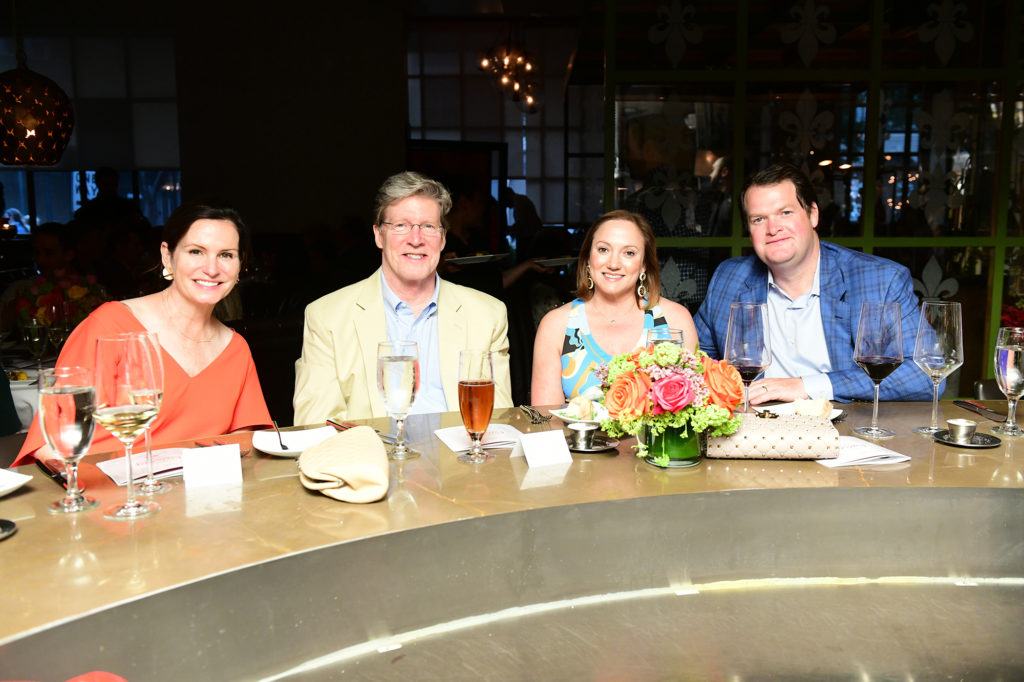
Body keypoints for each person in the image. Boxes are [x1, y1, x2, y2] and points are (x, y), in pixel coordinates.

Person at [13, 201, 272, 466]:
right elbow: (48, 447)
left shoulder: (235, 349)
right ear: (167, 256)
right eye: (196, 251)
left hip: (198, 497)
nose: (212, 268)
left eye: (226, 255)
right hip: (106, 496)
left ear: (240, 265)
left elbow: (246, 444)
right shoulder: (110, 326)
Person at [693, 162, 933, 404]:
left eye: (785, 213)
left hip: (846, 430)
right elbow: (693, 363)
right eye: (759, 219)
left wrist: (806, 386)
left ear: (813, 214)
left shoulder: (880, 280)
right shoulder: (730, 278)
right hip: (757, 429)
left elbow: (925, 374)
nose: (773, 228)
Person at [292, 171, 513, 424]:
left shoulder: (487, 315)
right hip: (372, 457)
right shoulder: (327, 317)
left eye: (428, 227)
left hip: (461, 458)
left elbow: (498, 421)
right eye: (401, 226)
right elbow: (315, 424)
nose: (416, 240)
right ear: (378, 236)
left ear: (442, 239)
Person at [531, 209, 699, 404]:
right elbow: (546, 422)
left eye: (629, 253)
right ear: (587, 258)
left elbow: (693, 410)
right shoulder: (556, 325)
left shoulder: (675, 320)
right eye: (603, 249)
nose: (613, 263)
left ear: (644, 265)